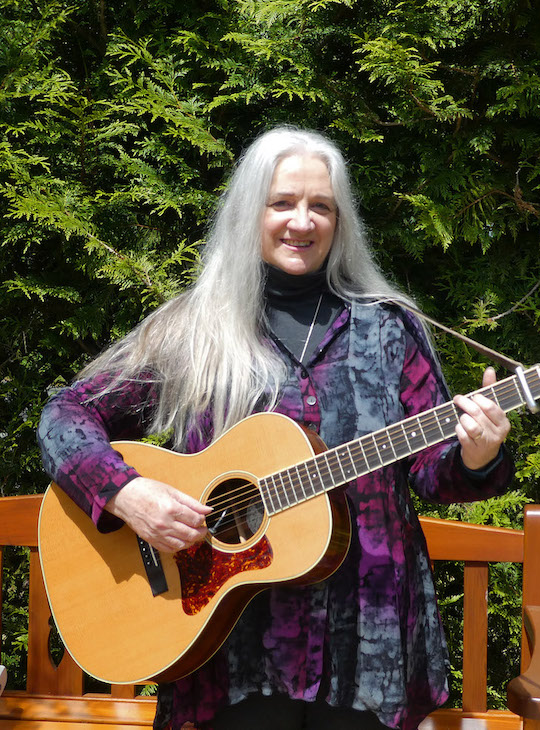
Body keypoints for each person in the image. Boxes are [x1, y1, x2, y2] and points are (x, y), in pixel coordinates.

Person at [37, 126, 513, 730]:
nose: (302, 222)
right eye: (283, 203)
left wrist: (477, 454)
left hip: (365, 644)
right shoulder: (197, 330)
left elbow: (435, 473)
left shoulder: (388, 329)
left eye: (321, 207)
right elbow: (64, 415)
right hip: (227, 646)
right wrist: (127, 493)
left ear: (340, 223)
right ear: (250, 212)